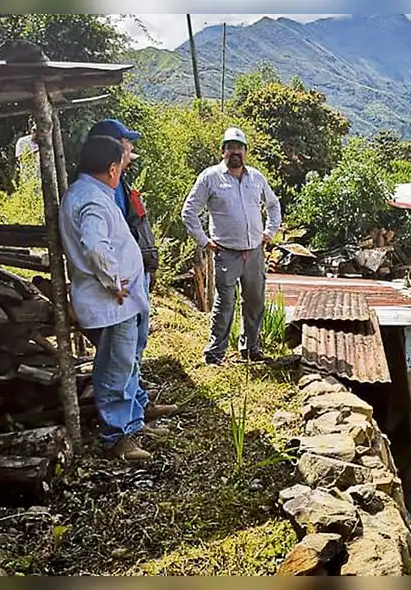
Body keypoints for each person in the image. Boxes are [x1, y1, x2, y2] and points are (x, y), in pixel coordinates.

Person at [58, 135, 165, 461]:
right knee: (115, 370)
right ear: (112, 168)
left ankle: (132, 423)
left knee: (127, 363)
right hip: (111, 303)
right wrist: (114, 282)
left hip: (119, 302)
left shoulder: (90, 193)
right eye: (123, 163)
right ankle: (117, 439)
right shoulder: (90, 199)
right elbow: (94, 246)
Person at [181, 127, 282, 366]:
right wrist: (204, 241)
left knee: (255, 301)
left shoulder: (256, 177)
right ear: (223, 151)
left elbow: (274, 206)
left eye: (239, 147)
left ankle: (251, 349)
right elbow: (189, 212)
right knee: (225, 304)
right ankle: (215, 355)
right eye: (230, 147)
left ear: (245, 151)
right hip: (226, 253)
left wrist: (270, 232)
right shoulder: (210, 177)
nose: (235, 152)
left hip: (255, 252)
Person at [86, 119, 162, 399]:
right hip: (122, 282)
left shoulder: (118, 181)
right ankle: (121, 419)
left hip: (133, 275)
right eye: (126, 142)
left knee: (136, 340)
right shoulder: (102, 189)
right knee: (122, 348)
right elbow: (102, 242)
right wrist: (117, 280)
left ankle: (135, 391)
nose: (130, 147)